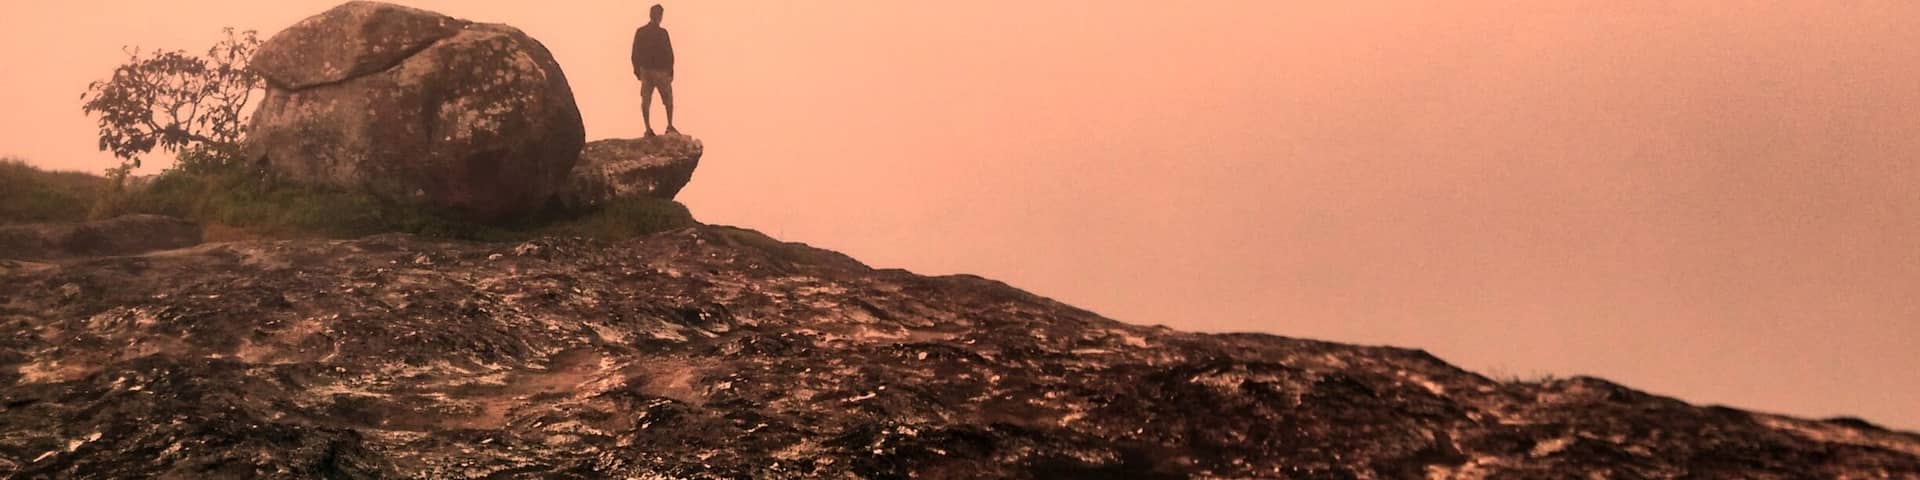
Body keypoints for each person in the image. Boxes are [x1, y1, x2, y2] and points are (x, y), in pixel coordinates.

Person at [632, 4, 677, 137]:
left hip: (648, 71)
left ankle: (650, 128)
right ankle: (667, 126)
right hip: (658, 71)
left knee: (647, 100)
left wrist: (637, 70)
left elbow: (635, 53)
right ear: (658, 16)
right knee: (666, 100)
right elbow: (669, 53)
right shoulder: (662, 33)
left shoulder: (642, 31)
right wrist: (670, 72)